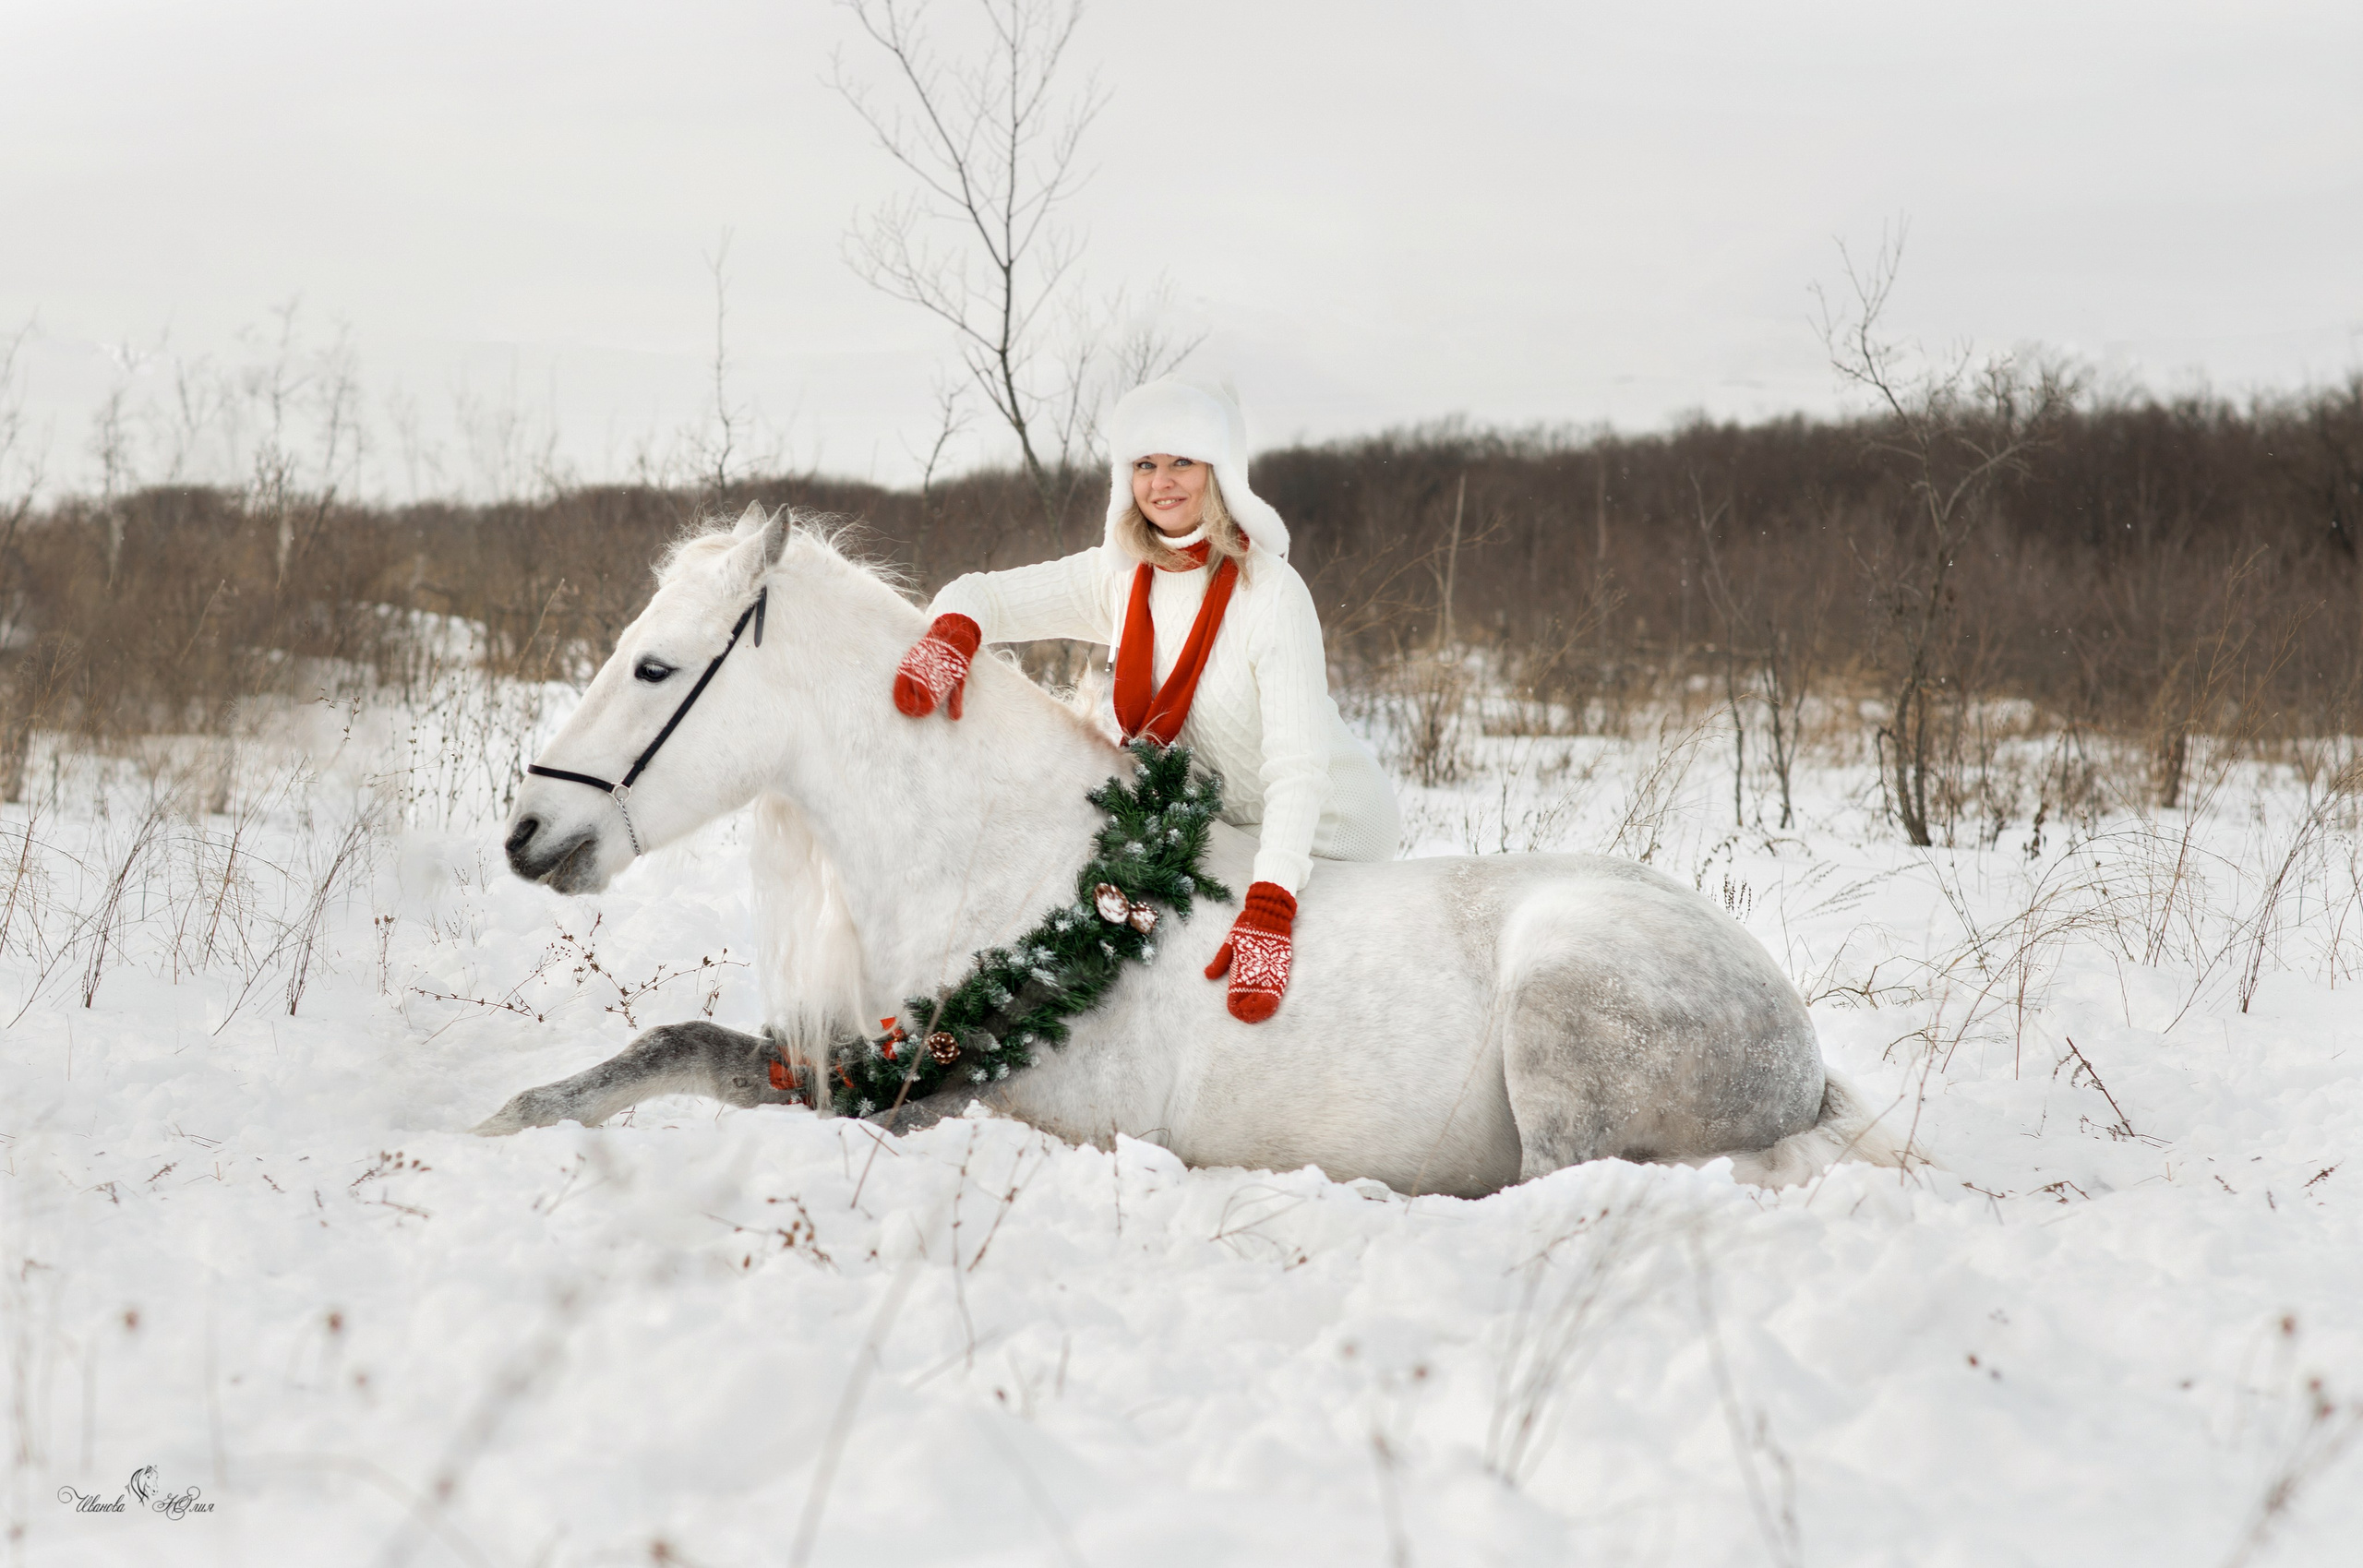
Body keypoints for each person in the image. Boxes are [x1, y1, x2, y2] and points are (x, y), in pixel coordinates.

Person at [889, 376, 1400, 1023]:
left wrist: (1271, 904)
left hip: (1327, 827)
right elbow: (981, 592)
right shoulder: (1124, 577)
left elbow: (1298, 771)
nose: (1163, 482)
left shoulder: (1270, 593)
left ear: (1220, 471)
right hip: (1216, 828)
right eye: (1146, 464)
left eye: (1183, 460)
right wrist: (952, 637)